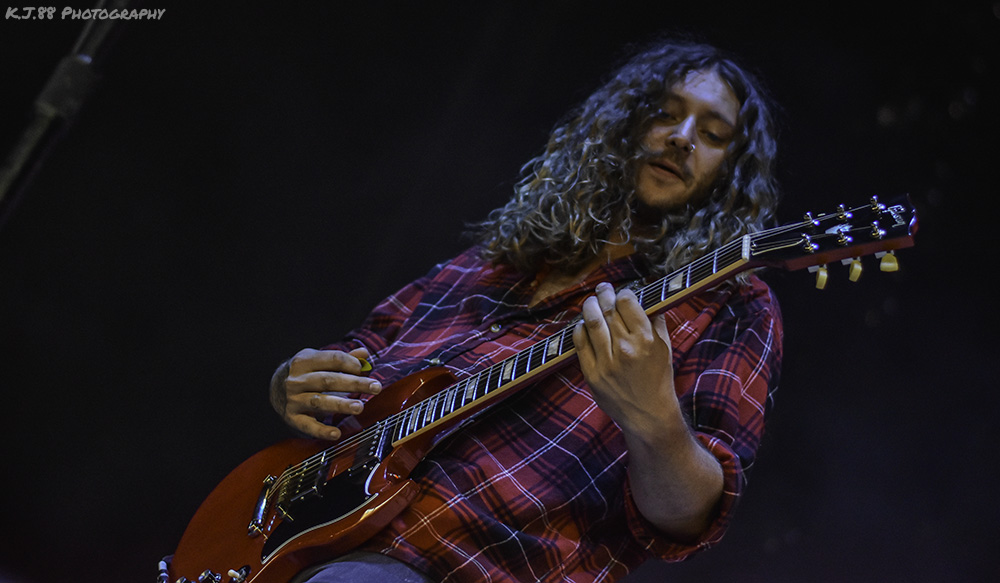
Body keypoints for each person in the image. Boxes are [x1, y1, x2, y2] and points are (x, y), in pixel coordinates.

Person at [269, 37, 783, 583]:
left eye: (712, 135)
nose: (681, 139)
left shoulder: (730, 303)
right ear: (622, 123)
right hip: (302, 535)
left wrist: (654, 419)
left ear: (732, 171)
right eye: (666, 114)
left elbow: (691, 516)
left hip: (461, 564)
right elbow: (360, 356)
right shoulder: (498, 258)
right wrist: (289, 383)